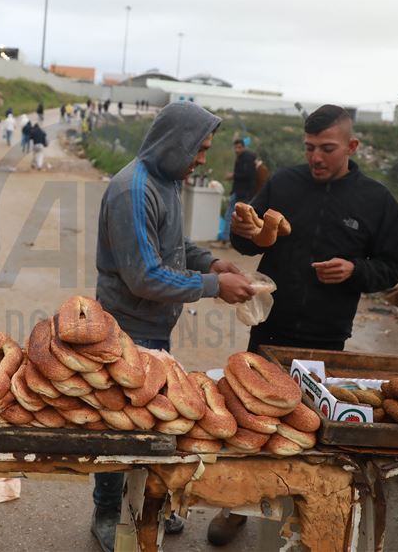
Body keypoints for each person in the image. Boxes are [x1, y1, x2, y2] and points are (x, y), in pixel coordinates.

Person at [210, 104, 398, 547]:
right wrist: (242, 228)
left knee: (314, 429)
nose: (316, 157)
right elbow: (247, 236)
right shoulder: (284, 183)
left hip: (326, 335)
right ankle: (235, 505)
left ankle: (301, 512)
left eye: (327, 148)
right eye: (310, 147)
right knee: (254, 419)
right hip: (270, 325)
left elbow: (393, 267)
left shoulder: (376, 201)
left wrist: (354, 270)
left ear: (351, 147)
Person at [91, 101, 256, 552]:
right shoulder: (133, 190)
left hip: (154, 327)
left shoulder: (166, 182)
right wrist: (213, 285)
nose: (202, 159)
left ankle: (145, 504)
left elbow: (173, 244)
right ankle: (106, 511)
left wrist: (212, 261)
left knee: (149, 423)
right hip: (128, 327)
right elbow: (145, 275)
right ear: (175, 143)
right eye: (198, 150)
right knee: (121, 426)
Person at [217, 137, 258, 243]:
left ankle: (227, 239)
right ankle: (232, 240)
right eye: (235, 148)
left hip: (243, 192)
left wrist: (233, 176)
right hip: (241, 192)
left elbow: (248, 175)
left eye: (239, 147)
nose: (237, 150)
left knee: (232, 215)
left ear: (244, 147)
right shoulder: (243, 157)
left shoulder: (246, 157)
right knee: (240, 217)